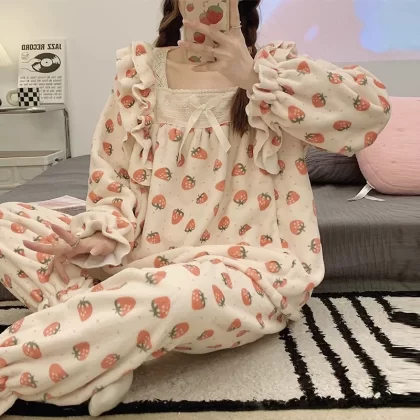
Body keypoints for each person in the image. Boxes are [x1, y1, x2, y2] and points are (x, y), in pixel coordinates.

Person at [0, 0, 391, 416]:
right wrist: (103, 232)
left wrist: (252, 76)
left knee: (175, 292)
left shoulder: (276, 74)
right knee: (7, 221)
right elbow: (114, 172)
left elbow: (371, 112)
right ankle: (111, 339)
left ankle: (55, 349)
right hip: (133, 260)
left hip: (239, 274)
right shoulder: (140, 74)